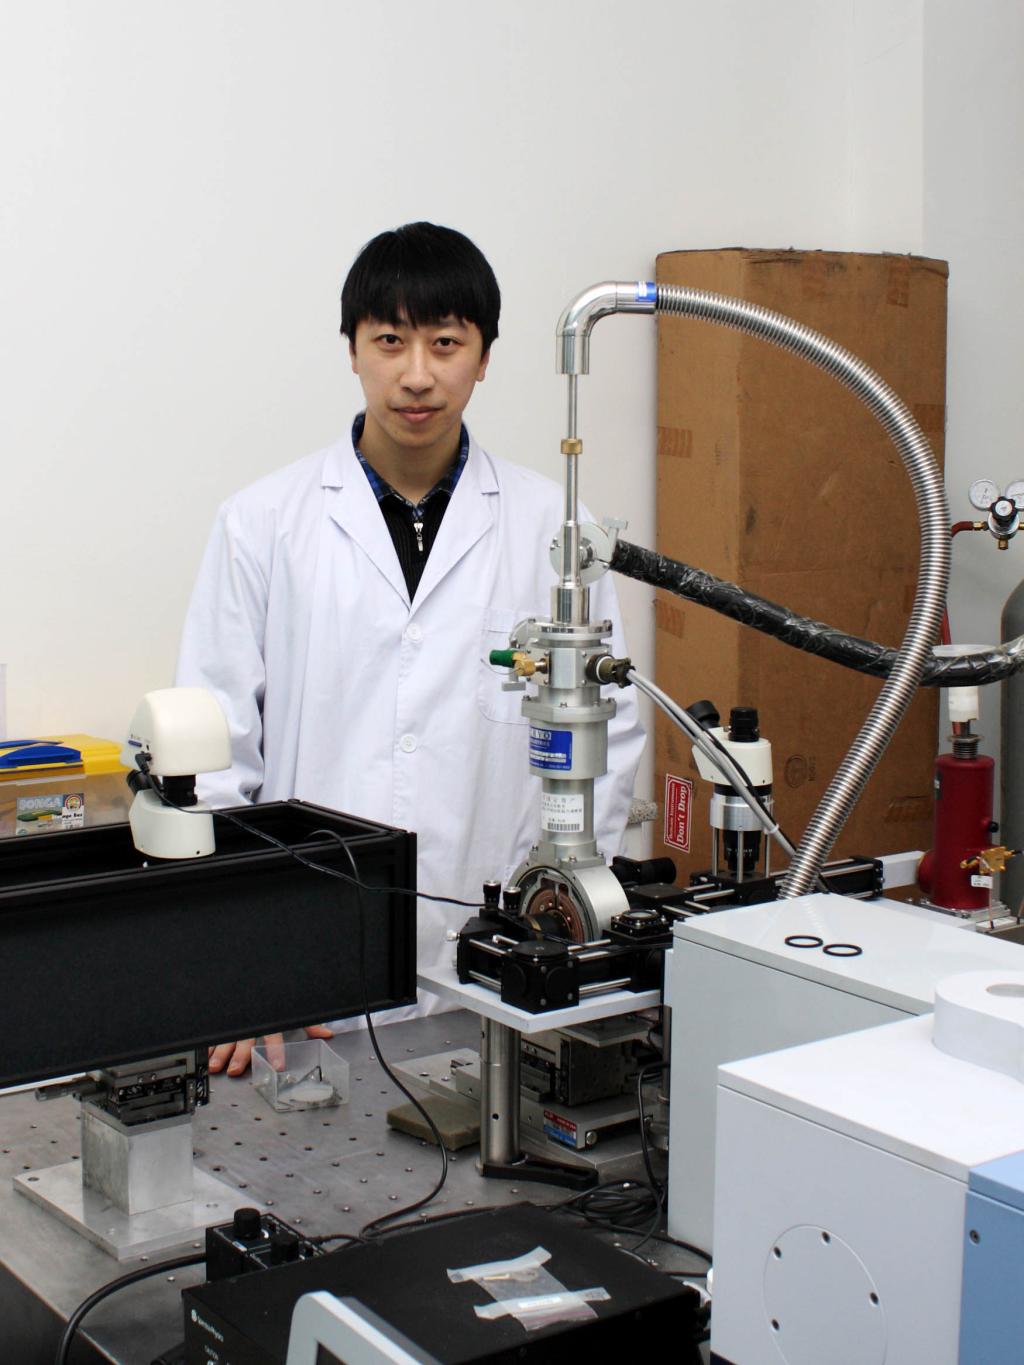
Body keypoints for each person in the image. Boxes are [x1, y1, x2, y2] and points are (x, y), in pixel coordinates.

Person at [177, 222, 645, 1073]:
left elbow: (606, 744)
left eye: (446, 343)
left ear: (485, 356)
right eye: (391, 341)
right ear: (353, 349)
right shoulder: (262, 524)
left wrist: (568, 922)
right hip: (303, 973)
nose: (418, 374)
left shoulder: (554, 530)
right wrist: (236, 960)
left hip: (499, 967)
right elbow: (212, 758)